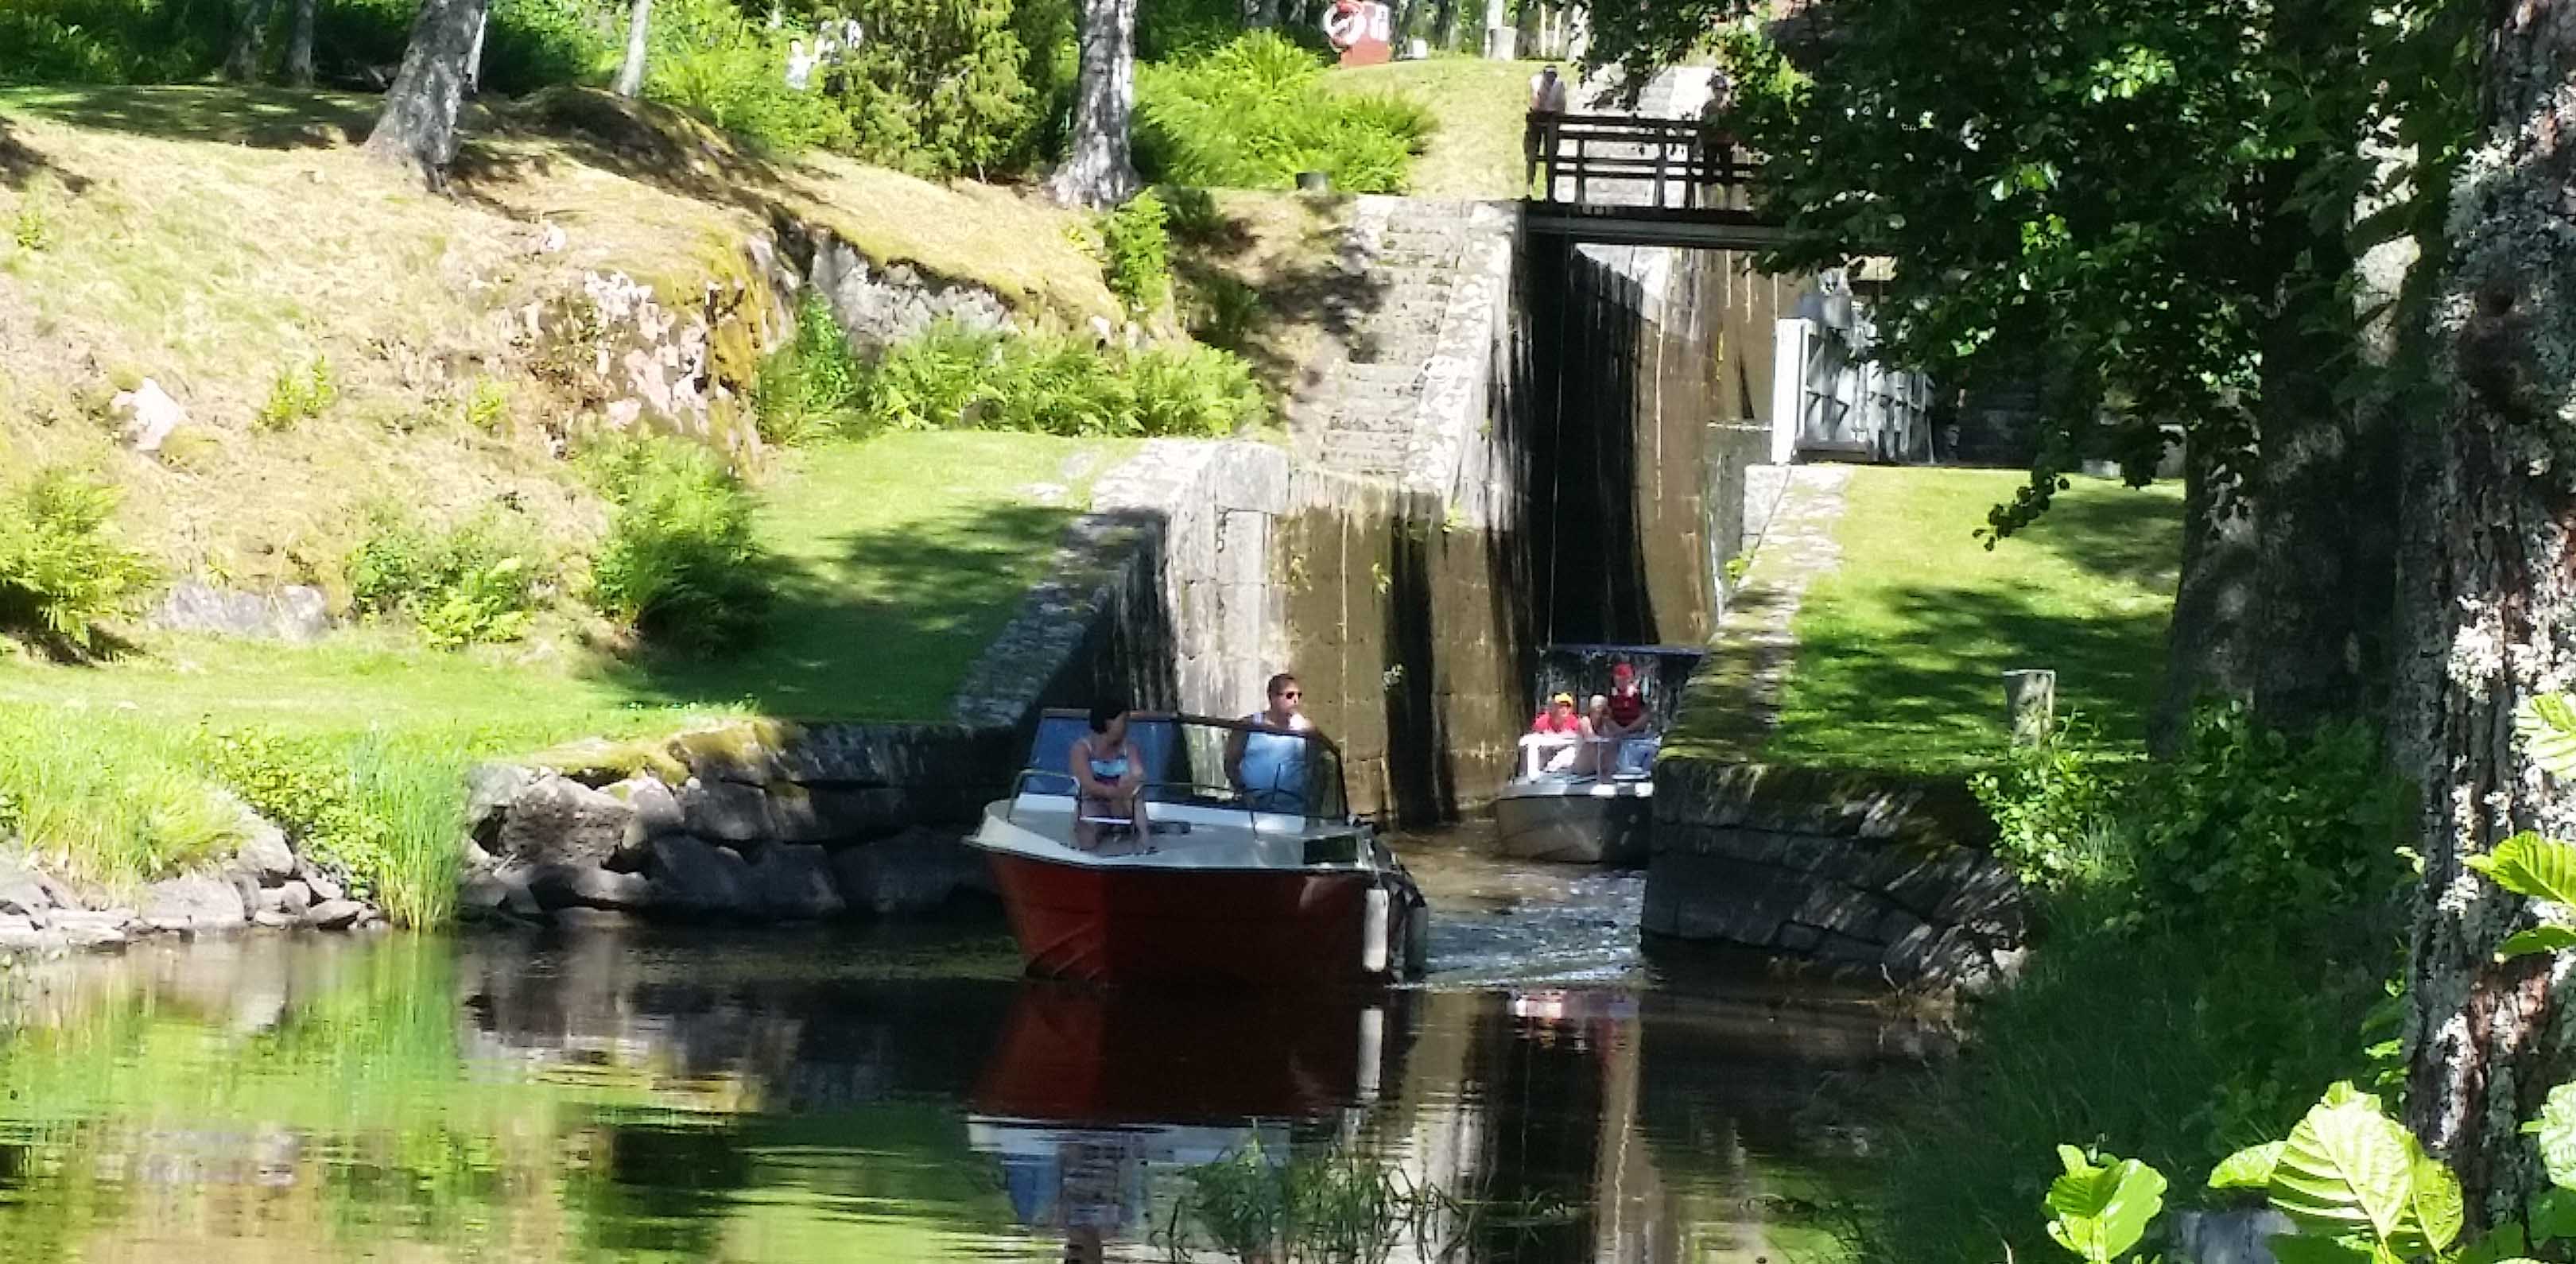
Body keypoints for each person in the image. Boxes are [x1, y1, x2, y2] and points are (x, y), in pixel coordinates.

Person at [1069, 700, 1151, 851]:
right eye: (1124, 721)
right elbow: (1088, 784)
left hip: (1122, 803)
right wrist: (1113, 792)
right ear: (1108, 723)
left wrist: (1132, 780)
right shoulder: (1082, 749)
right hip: (1093, 801)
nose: (1127, 726)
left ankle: (1144, 838)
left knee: (1133, 792)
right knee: (1087, 840)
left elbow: (1138, 773)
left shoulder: (1129, 748)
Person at [1225, 673, 1315, 813]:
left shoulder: (1306, 729)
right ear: (1272, 697)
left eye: (1299, 695)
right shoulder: (1248, 726)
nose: (1296, 701)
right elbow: (1230, 763)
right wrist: (1244, 791)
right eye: (1289, 695)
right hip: (1252, 807)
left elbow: (1319, 765)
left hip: (1294, 808)